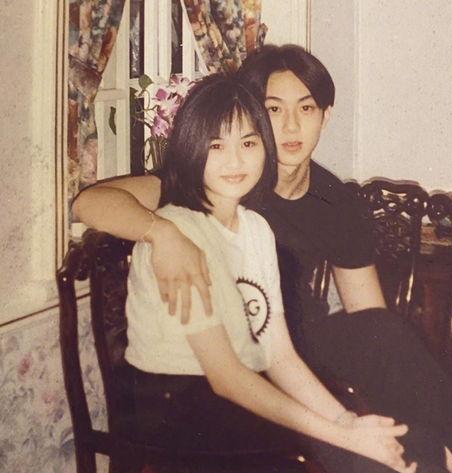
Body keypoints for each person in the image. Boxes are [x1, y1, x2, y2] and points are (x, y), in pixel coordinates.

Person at [72, 45, 452, 472]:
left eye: (305, 108)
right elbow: (89, 203)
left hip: (290, 347)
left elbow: (361, 320)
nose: (291, 125)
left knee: (393, 364)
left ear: (324, 116)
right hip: (211, 382)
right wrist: (161, 233)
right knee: (376, 445)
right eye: (274, 109)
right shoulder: (205, 190)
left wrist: (364, 419)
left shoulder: (317, 204)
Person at [122, 72, 432, 473]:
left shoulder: (255, 229)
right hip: (177, 408)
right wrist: (343, 437)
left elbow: (278, 354)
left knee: (397, 443)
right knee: (352, 456)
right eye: (216, 145)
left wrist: (347, 422)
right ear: (191, 149)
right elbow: (226, 378)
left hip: (239, 392)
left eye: (248, 143)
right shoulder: (180, 234)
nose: (236, 161)